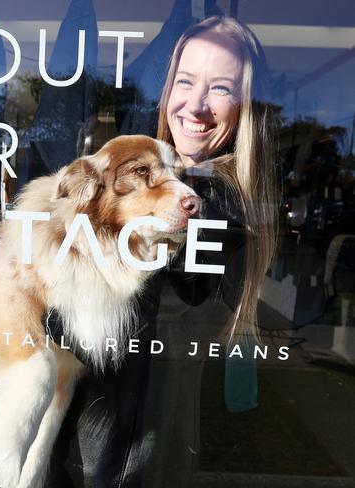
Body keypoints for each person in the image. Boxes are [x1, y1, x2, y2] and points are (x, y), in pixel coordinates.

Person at [45, 15, 278, 488]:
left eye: (220, 88)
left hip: (128, 430)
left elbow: (100, 320)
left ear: (245, 106)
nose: (195, 106)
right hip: (104, 412)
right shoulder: (170, 181)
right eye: (186, 81)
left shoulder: (212, 198)